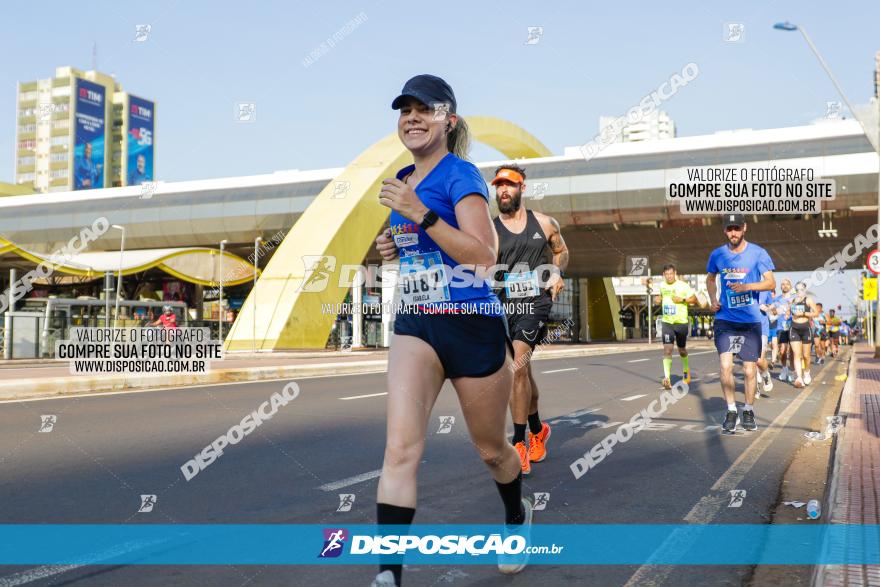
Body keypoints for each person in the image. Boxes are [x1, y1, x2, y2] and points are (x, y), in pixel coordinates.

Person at [372, 74, 531, 586]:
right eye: (404, 110)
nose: (412, 118)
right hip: (417, 323)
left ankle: (515, 516)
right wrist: (393, 248)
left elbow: (484, 258)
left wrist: (419, 216)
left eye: (424, 109)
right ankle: (388, 574)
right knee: (400, 449)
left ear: (449, 120)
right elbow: (420, 246)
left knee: (491, 449)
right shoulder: (402, 177)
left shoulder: (460, 174)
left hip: (471, 327)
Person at [491, 163, 569, 475]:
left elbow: (561, 251)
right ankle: (538, 430)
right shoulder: (489, 230)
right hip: (502, 307)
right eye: (499, 185)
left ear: (522, 188)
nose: (503, 190)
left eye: (509, 185)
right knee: (523, 373)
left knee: (516, 369)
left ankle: (519, 444)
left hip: (535, 305)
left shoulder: (545, 223)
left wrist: (558, 271)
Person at [706, 214, 775, 433]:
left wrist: (747, 287)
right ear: (724, 231)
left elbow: (770, 282)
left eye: (736, 228)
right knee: (725, 367)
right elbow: (710, 278)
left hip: (750, 321)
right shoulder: (717, 254)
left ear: (744, 228)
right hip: (725, 319)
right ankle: (731, 410)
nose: (733, 233)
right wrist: (713, 299)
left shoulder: (758, 253)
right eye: (729, 229)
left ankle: (747, 410)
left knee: (748, 370)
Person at [653, 264, 699, 389]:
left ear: (675, 273)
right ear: (664, 275)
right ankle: (667, 378)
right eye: (666, 274)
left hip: (681, 322)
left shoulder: (683, 285)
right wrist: (657, 300)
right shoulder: (662, 286)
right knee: (667, 350)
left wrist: (682, 299)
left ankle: (686, 371)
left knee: (681, 350)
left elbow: (694, 299)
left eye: (671, 274)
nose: (669, 276)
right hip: (667, 322)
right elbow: (661, 298)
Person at [787, 281, 818, 388]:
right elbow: (787, 313)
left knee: (806, 356)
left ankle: (807, 372)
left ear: (805, 290)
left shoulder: (808, 300)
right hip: (794, 328)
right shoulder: (792, 301)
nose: (799, 292)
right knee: (797, 355)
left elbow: (816, 313)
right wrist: (786, 314)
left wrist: (804, 313)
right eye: (797, 290)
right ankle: (799, 378)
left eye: (801, 289)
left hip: (806, 329)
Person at [771, 278, 795, 383]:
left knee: (793, 351)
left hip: (793, 327)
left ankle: (792, 371)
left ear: (790, 286)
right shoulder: (777, 299)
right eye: (783, 284)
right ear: (781, 287)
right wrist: (773, 310)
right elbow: (773, 312)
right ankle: (784, 369)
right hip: (781, 327)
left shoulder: (794, 299)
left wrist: (790, 310)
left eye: (787, 284)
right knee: (783, 351)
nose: (785, 286)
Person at [756, 290, 774, 395]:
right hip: (746, 328)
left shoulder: (765, 290)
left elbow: (772, 306)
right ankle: (755, 387)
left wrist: (767, 308)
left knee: (759, 360)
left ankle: (765, 374)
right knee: (749, 360)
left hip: (762, 328)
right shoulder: (742, 286)